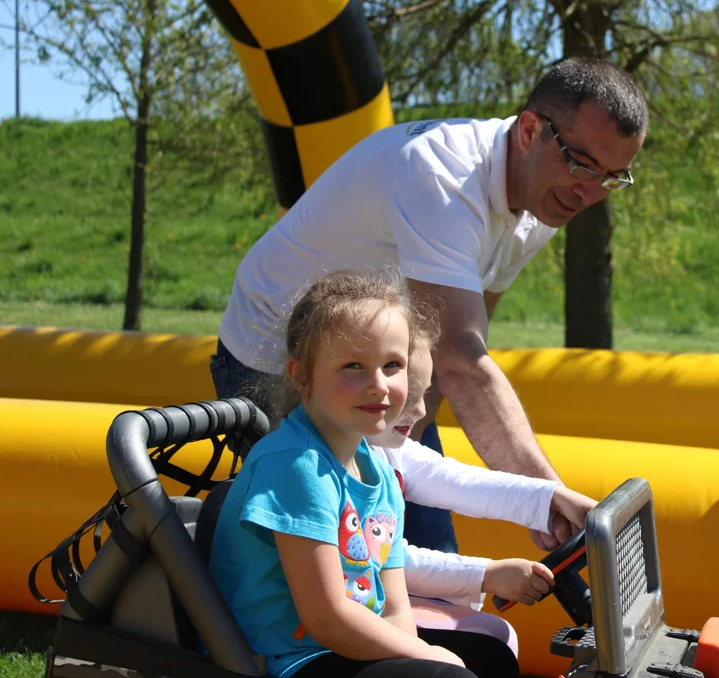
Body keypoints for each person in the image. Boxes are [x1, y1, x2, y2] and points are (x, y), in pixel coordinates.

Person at [210, 57, 649, 556]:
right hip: (275, 360)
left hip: (373, 363)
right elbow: (462, 360)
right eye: (583, 165)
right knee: (328, 565)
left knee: (417, 550)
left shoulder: (545, 198)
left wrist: (409, 439)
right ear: (531, 130)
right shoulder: (441, 174)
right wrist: (549, 499)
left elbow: (452, 346)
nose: (591, 194)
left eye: (613, 178)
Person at [208, 270, 518, 678]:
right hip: (285, 662)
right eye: (353, 366)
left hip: (343, 644)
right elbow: (327, 616)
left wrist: (421, 652)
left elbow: (394, 605)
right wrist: (427, 657)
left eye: (392, 365)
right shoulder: (297, 465)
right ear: (301, 375)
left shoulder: (375, 465)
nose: (379, 386)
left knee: (491, 661)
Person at [363, 307, 598, 655]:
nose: (421, 412)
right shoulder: (343, 461)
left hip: (377, 602)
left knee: (495, 640)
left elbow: (457, 481)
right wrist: (486, 574)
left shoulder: (389, 449)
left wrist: (551, 498)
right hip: (354, 617)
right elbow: (383, 558)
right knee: (489, 651)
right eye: (409, 398)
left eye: (425, 394)